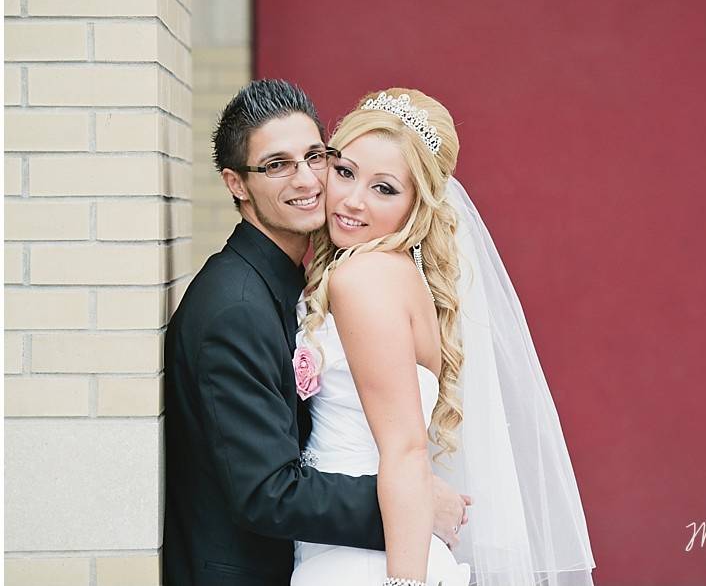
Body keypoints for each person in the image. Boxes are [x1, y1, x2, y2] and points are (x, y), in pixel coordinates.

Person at [163, 80, 468, 586]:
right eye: (277, 165)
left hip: (358, 560)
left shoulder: (336, 280)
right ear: (237, 183)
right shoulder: (236, 307)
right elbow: (265, 492)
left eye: (316, 157)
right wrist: (416, 506)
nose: (309, 181)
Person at [291, 89, 595, 586]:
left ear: (417, 204)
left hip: (367, 558)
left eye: (384, 189)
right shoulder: (400, 275)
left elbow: (406, 450)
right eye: (345, 172)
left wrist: (403, 584)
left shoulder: (362, 279)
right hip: (363, 537)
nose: (351, 199)